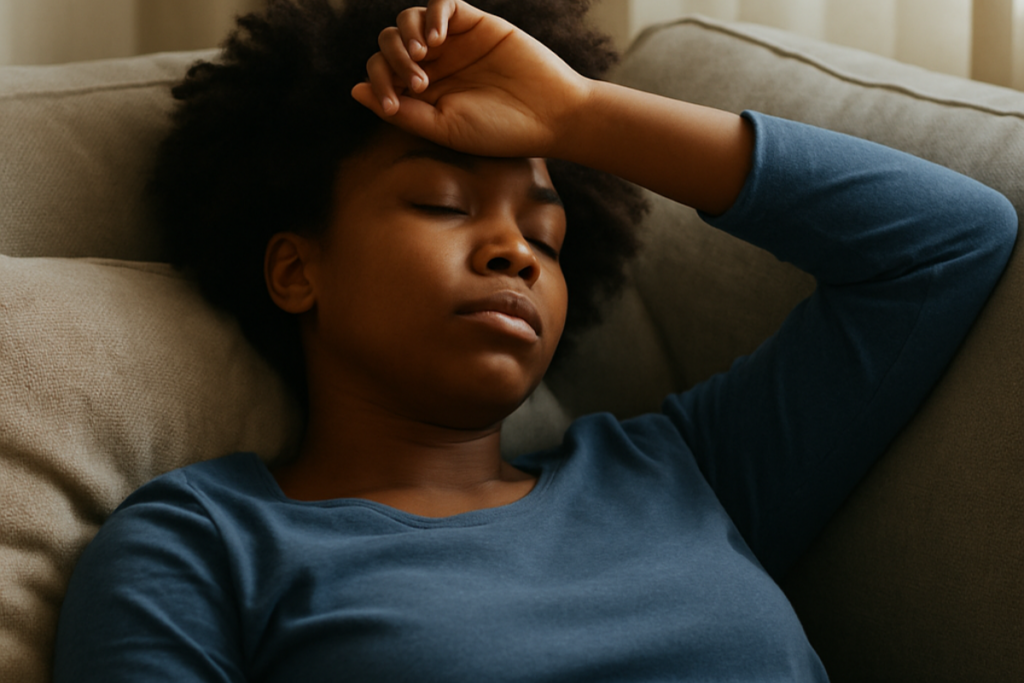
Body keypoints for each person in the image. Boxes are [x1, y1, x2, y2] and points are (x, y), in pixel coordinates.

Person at [53, 0, 1017, 680]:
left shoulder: (686, 468)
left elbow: (947, 241)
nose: (515, 250)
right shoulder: (200, 545)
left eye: (547, 236)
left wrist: (580, 115)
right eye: (441, 203)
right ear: (297, 270)